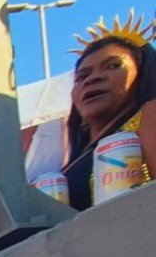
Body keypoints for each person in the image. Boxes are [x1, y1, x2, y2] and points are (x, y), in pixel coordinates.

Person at [63, 22, 156, 210]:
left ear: (142, 76)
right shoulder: (71, 161)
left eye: (113, 66)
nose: (93, 78)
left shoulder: (150, 115)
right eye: (82, 76)